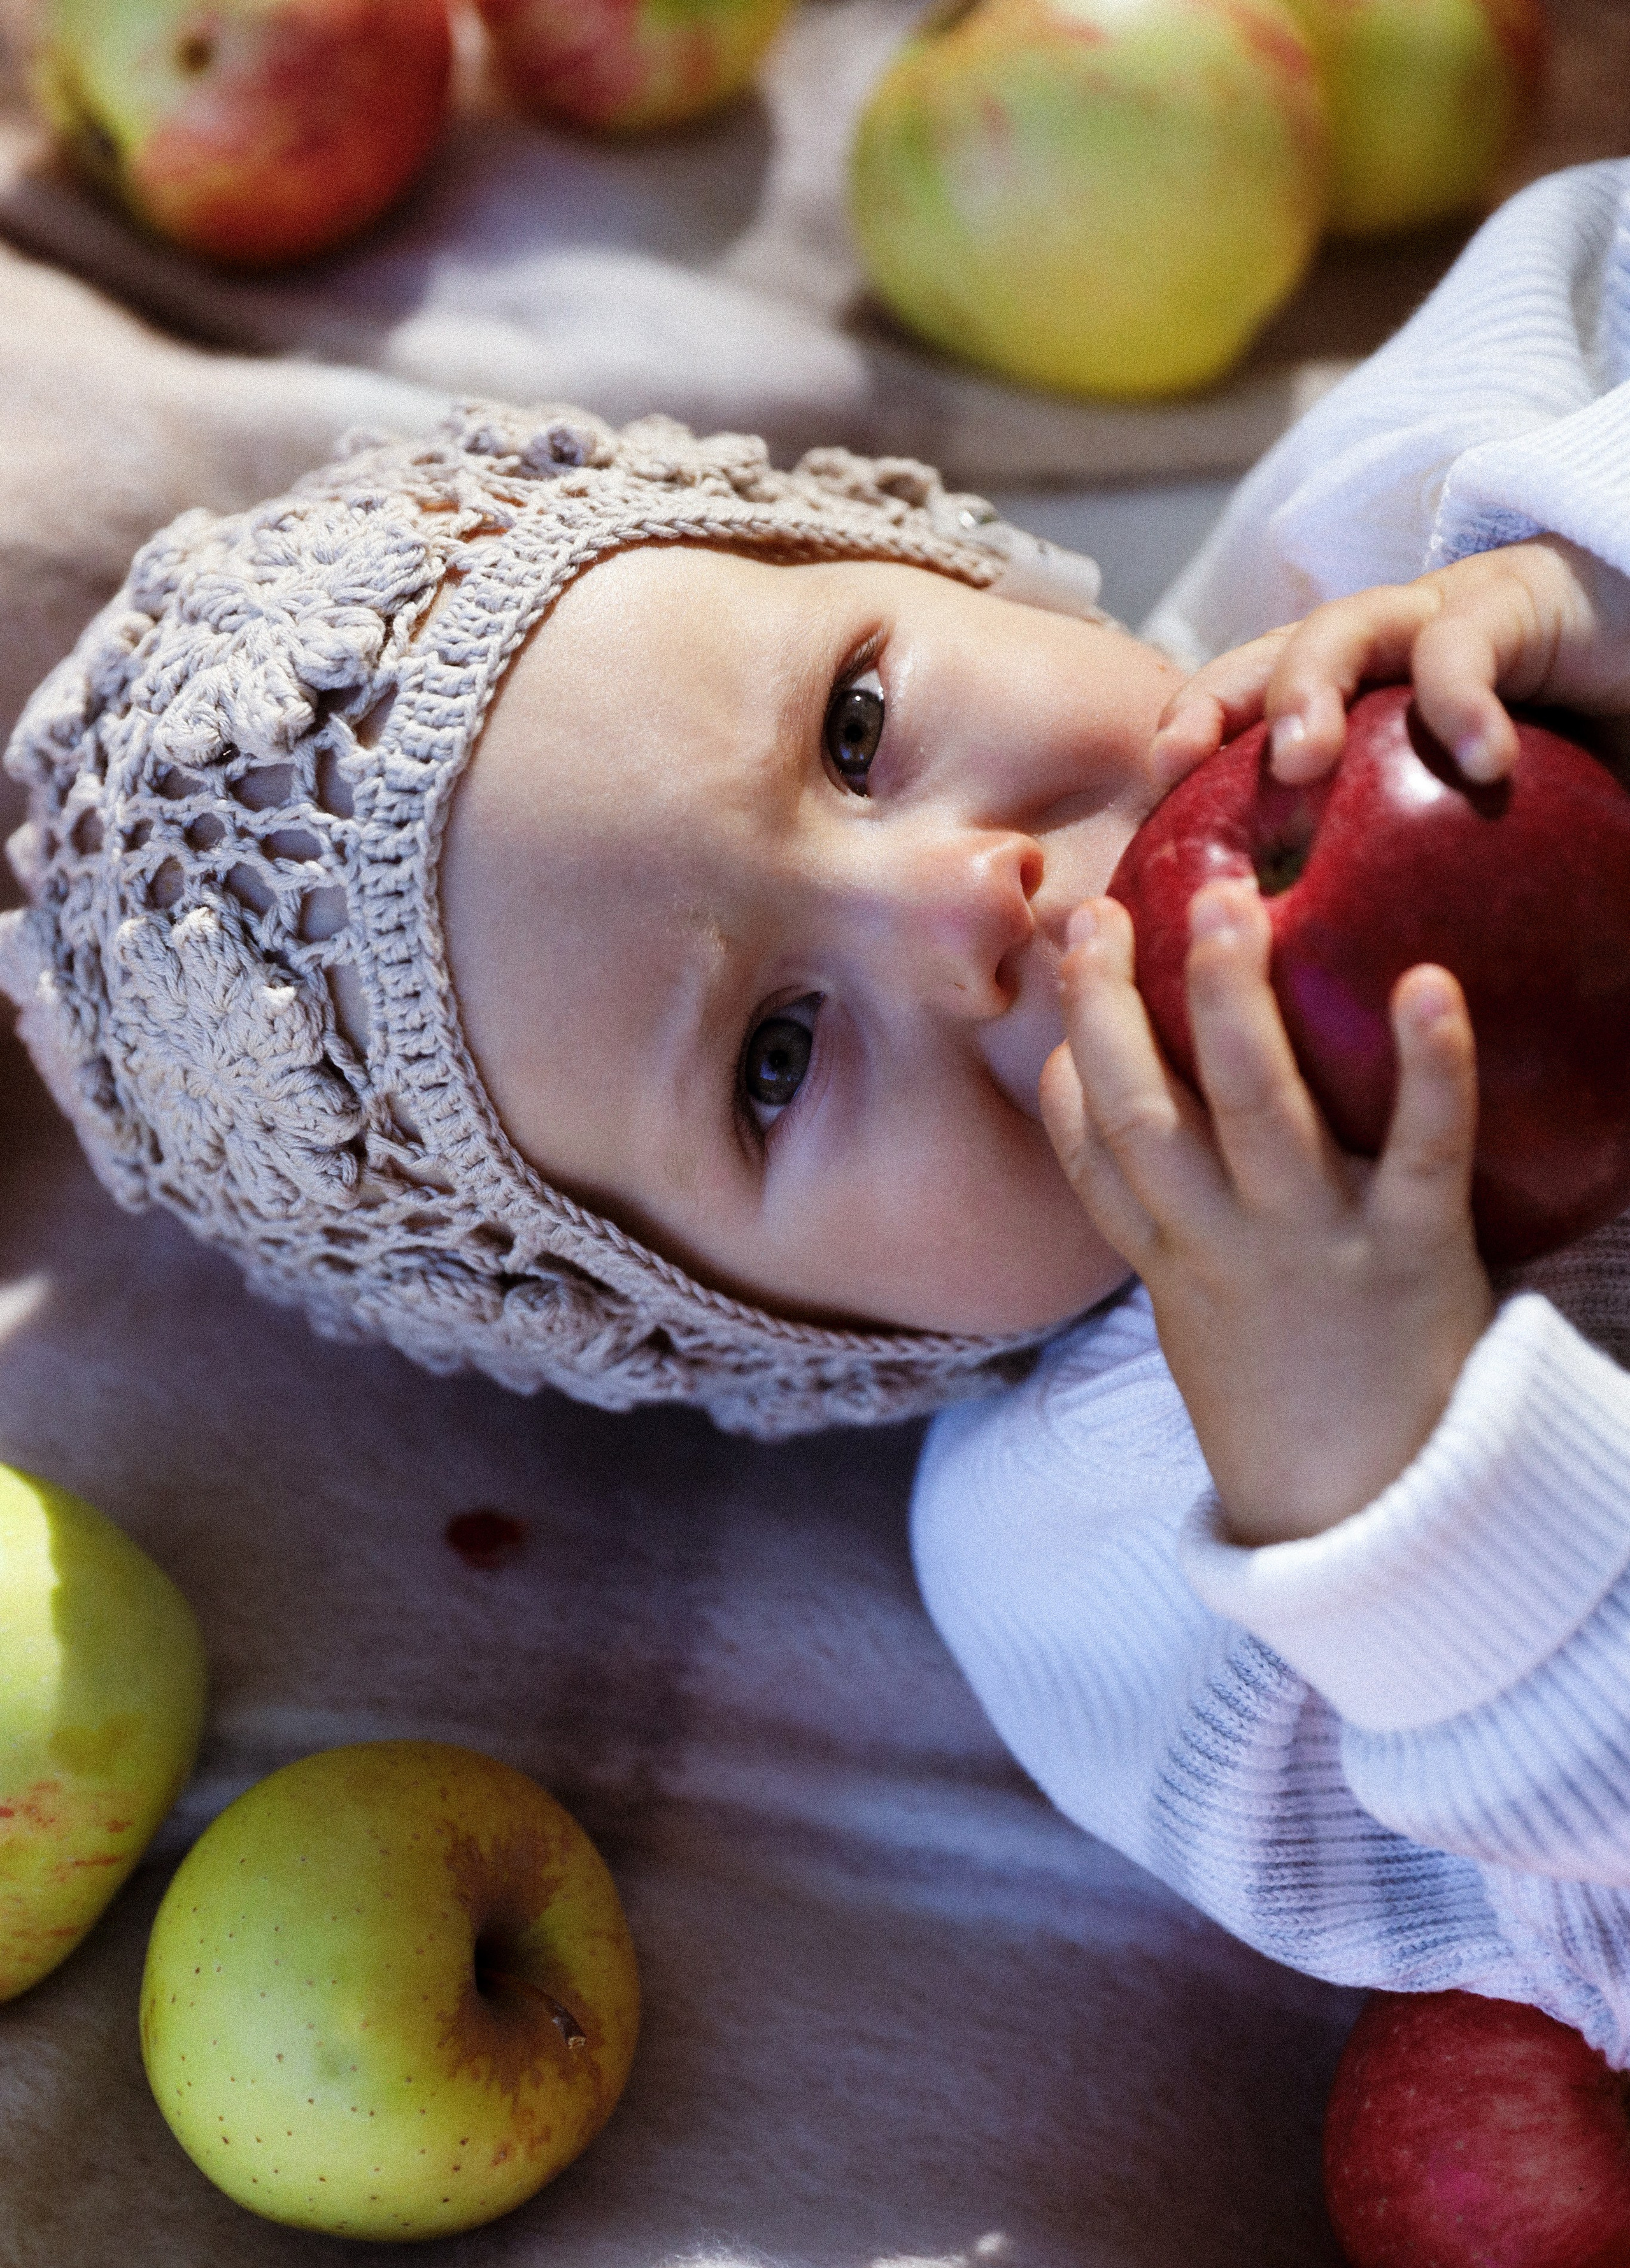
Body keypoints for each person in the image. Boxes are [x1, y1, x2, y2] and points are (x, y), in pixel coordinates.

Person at [6, 159, 1630, 2056]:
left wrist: (1579, 566)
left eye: (858, 732)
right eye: (773, 1061)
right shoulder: (1102, 1577)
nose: (965, 905)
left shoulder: (1394, 536)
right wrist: (1418, 1514)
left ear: (936, 564)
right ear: (763, 1331)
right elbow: (1573, 1963)